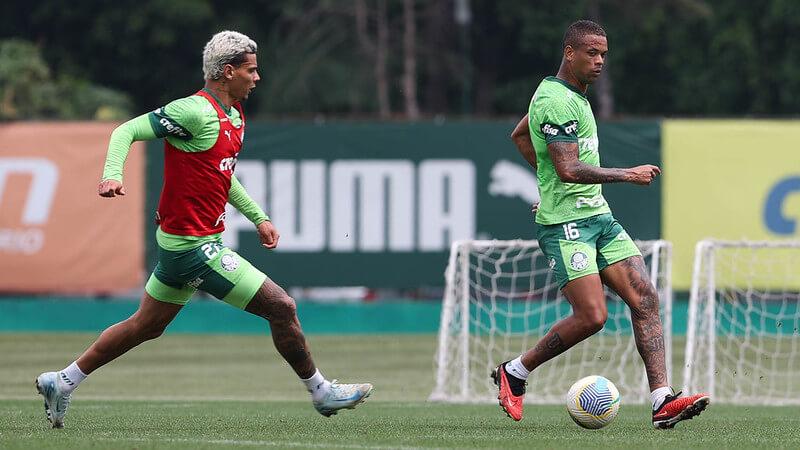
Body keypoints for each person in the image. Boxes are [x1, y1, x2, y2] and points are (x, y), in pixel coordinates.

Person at [35, 30, 372, 429]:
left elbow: (221, 177)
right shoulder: (192, 111)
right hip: (192, 247)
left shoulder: (234, 116)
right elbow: (124, 131)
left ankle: (63, 380)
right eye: (251, 70)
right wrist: (111, 175)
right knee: (283, 307)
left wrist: (258, 217)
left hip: (190, 244)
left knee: (146, 326)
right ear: (228, 72)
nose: (257, 77)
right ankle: (320, 391)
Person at [493, 20, 709, 429]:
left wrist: (546, 180)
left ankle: (662, 401)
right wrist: (628, 174)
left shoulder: (571, 94)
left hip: (599, 219)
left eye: (604, 54)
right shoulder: (556, 100)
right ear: (569, 53)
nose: (599, 61)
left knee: (645, 297)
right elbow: (570, 169)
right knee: (593, 316)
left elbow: (520, 134)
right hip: (566, 225)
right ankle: (515, 372)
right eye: (591, 53)